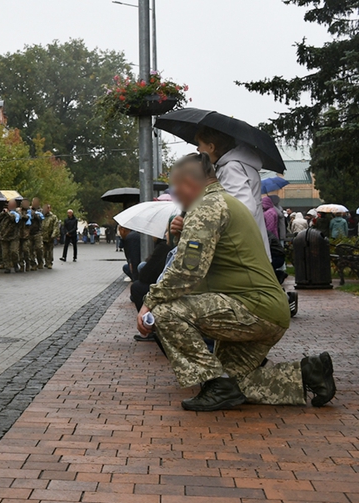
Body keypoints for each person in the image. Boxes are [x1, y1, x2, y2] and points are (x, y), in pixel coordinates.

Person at [138, 153, 336, 411]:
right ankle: (310, 373)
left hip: (250, 308)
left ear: (189, 182)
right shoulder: (225, 202)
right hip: (267, 310)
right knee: (236, 384)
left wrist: (149, 302)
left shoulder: (207, 207)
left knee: (164, 312)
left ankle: (214, 384)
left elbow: (187, 272)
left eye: (176, 186)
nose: (176, 195)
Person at [194, 126, 270, 256]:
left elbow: (244, 209)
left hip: (243, 251)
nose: (198, 149)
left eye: (200, 145)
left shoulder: (231, 168)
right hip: (250, 247)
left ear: (211, 147)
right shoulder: (238, 165)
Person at [0, 200, 22, 273]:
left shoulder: (17, 213)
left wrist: (7, 213)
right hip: (4, 236)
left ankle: (15, 265)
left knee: (14, 252)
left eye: (12, 205)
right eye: (10, 204)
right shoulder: (4, 212)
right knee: (5, 253)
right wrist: (3, 213)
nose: (11, 206)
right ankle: (7, 267)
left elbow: (13, 218)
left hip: (14, 236)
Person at [29, 197, 46, 270]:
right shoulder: (28, 210)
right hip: (29, 232)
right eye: (33, 202)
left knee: (39, 248)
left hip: (37, 232)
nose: (34, 203)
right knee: (30, 249)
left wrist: (33, 213)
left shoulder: (41, 211)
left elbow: (40, 217)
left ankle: (40, 262)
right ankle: (33, 264)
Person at [41, 204, 60, 269]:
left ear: (49, 209)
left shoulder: (53, 217)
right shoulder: (41, 216)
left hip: (49, 236)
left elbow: (56, 227)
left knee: (49, 251)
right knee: (43, 250)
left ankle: (49, 263)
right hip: (42, 236)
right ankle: (44, 262)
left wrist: (53, 235)